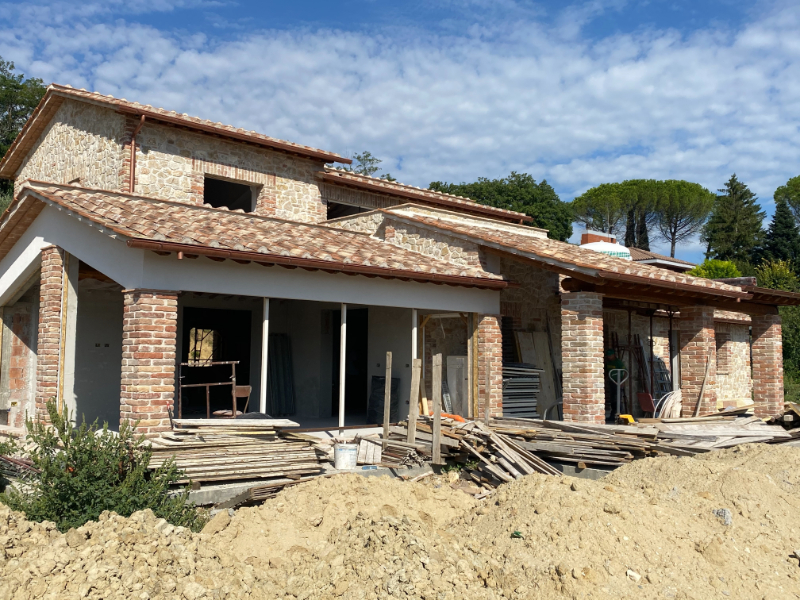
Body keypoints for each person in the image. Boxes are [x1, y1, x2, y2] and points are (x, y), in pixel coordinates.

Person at [604, 348, 626, 419]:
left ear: (613, 355)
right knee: (612, 399)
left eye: (610, 355)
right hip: (612, 381)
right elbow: (606, 371)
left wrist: (623, 381)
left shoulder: (618, 362)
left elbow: (625, 371)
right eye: (608, 356)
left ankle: (620, 415)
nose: (609, 357)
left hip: (618, 381)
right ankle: (613, 415)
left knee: (618, 398)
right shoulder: (608, 362)